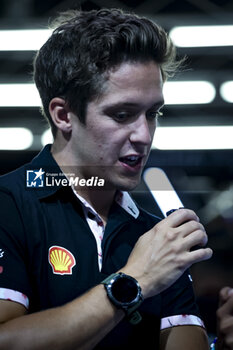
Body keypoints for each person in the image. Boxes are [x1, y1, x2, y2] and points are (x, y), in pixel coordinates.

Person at [0, 8, 212, 349]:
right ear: (64, 115)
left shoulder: (155, 236)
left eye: (153, 113)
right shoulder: (8, 205)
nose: (144, 134)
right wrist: (135, 280)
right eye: (122, 114)